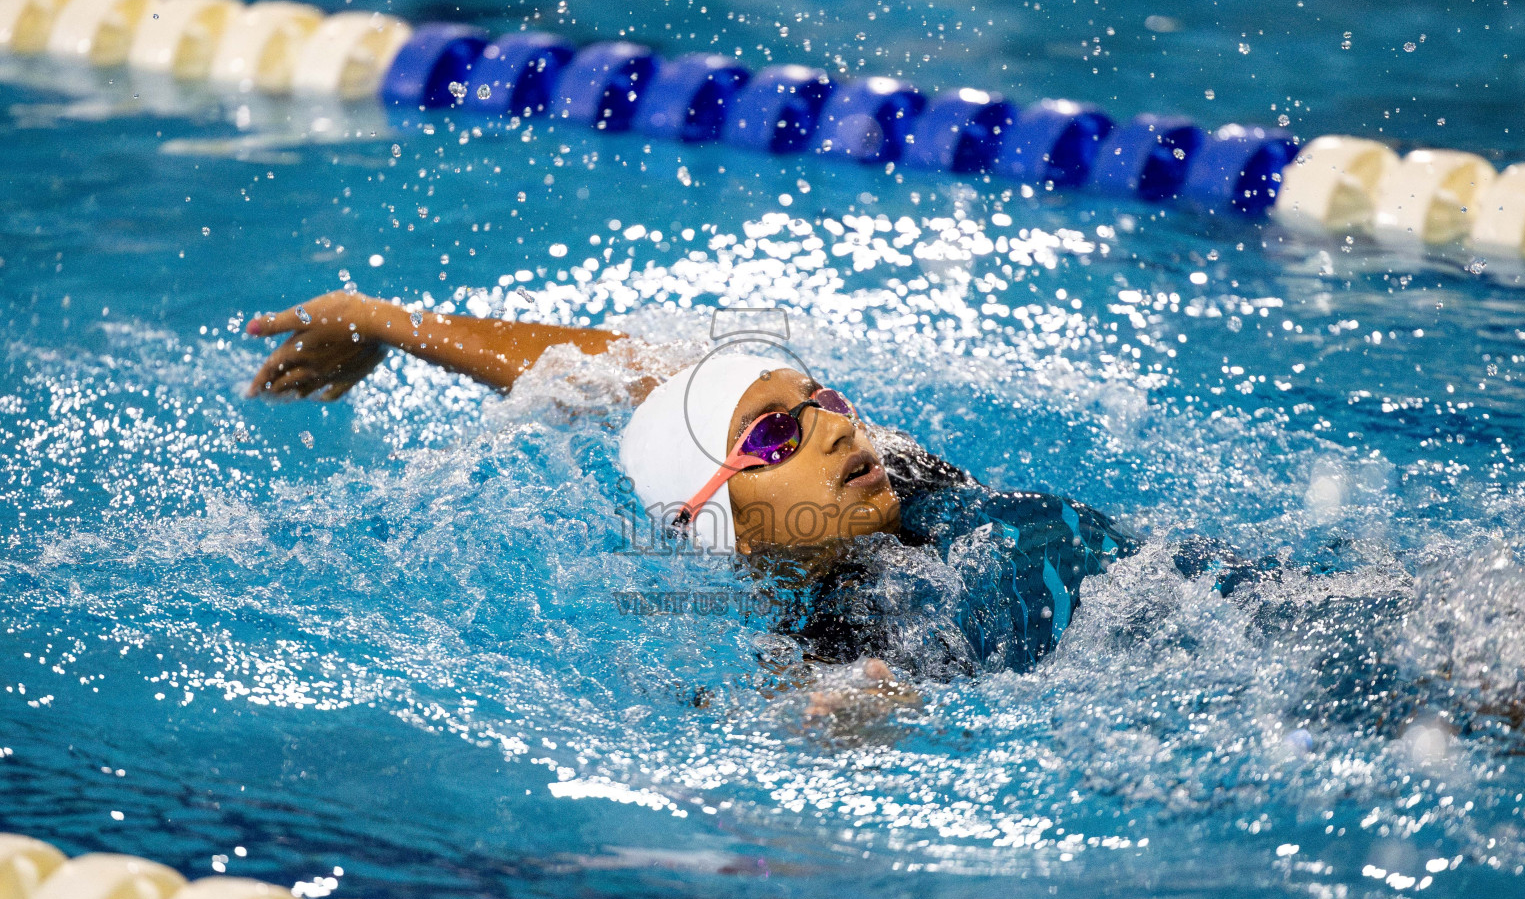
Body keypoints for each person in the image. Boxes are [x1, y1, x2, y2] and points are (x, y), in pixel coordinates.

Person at [244, 289, 1134, 684]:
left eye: (821, 400)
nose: (834, 425)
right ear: (727, 528)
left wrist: (388, 322)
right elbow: (844, 708)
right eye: (778, 432)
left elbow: (612, 370)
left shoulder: (904, 478)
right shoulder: (843, 630)